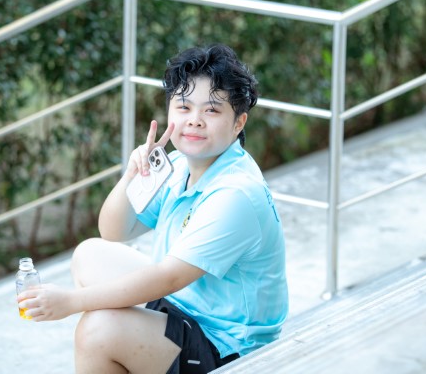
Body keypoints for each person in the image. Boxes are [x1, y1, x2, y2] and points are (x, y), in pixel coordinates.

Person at [18, 44, 288, 374]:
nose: (195, 121)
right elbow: (113, 231)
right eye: (184, 107)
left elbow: (169, 277)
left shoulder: (236, 194)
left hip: (228, 347)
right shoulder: (179, 165)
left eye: (212, 111)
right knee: (90, 255)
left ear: (238, 123)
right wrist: (132, 175)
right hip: (186, 307)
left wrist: (70, 302)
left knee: (98, 331)